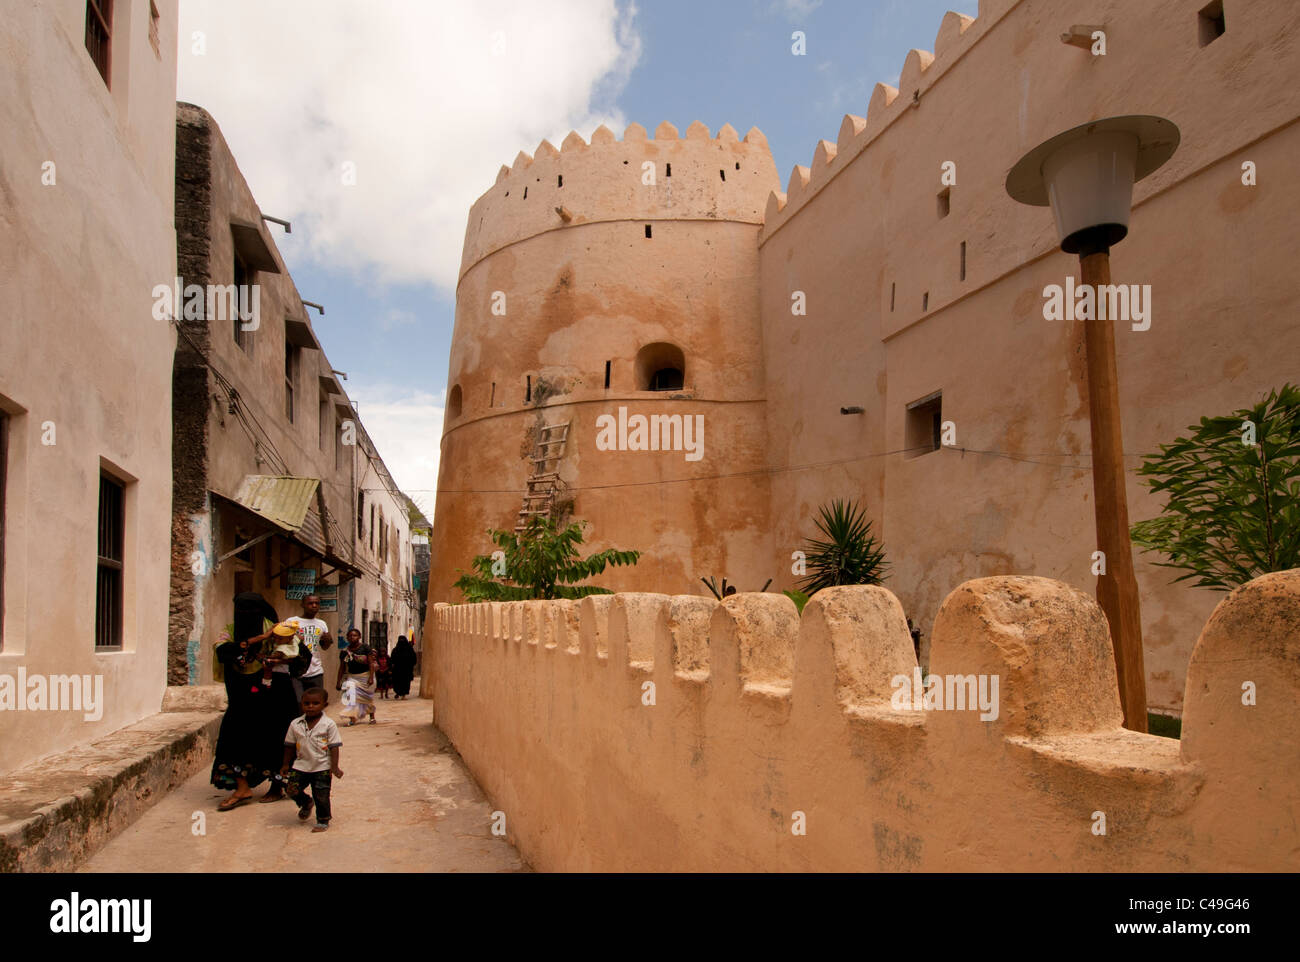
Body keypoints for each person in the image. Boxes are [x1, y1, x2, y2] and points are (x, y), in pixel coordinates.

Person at [212, 591, 281, 811]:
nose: (246, 615)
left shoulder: (275, 629)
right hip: (239, 700)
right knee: (232, 741)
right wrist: (258, 639)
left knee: (271, 740)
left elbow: (296, 653)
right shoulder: (231, 631)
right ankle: (242, 787)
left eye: (251, 610)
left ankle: (278, 786)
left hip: (266, 697)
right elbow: (222, 651)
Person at [281, 688, 343, 833]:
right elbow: (289, 746)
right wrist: (285, 764)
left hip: (322, 766)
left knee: (321, 794)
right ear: (301, 704)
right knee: (291, 788)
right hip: (301, 765)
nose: (310, 706)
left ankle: (322, 820)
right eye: (306, 703)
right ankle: (306, 802)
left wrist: (334, 767)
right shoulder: (295, 724)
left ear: (324, 705)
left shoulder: (329, 724)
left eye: (315, 703)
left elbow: (334, 747)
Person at [281, 594, 334, 700]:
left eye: (317, 603)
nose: (314, 605)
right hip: (296, 671)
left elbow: (324, 647)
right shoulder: (292, 621)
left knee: (316, 701)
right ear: (303, 605)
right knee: (299, 702)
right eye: (310, 603)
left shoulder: (322, 624)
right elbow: (282, 641)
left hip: (316, 670)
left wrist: (327, 640)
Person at [336, 629, 376, 725]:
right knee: (351, 697)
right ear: (347, 638)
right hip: (352, 677)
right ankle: (352, 718)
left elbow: (371, 663)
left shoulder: (365, 648)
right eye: (350, 636)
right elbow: (341, 668)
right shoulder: (344, 651)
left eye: (354, 635)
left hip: (366, 676)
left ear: (359, 637)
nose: (352, 637)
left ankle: (372, 716)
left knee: (367, 698)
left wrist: (370, 677)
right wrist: (338, 681)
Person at [390, 635, 416, 700]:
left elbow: (413, 658)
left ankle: (403, 694)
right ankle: (398, 692)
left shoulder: (409, 649)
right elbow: (392, 659)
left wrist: (411, 665)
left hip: (406, 670)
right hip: (397, 670)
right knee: (397, 682)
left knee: (405, 682)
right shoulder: (395, 650)